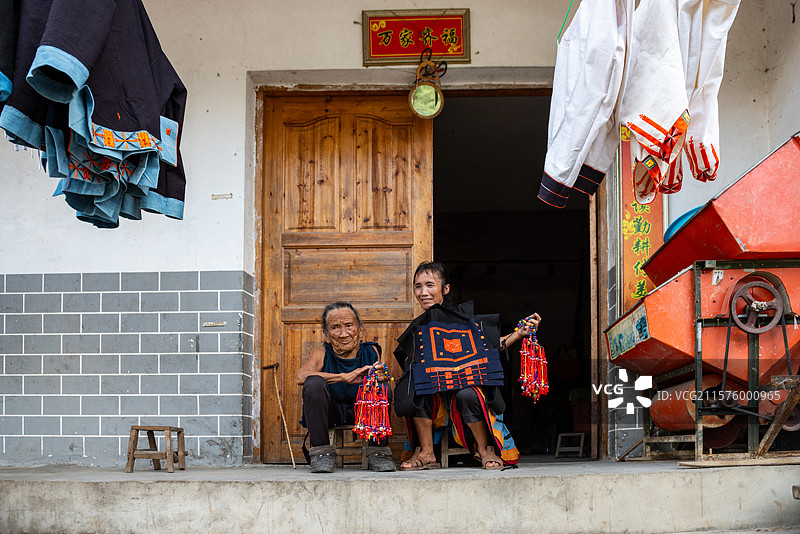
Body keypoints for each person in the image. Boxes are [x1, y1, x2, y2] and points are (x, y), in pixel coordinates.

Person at [394, 261, 541, 470]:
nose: (423, 292)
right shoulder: (418, 327)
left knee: (467, 393)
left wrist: (519, 333)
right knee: (418, 388)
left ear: (445, 289)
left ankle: (485, 449)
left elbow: (489, 346)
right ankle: (427, 453)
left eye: (429, 285)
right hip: (437, 396)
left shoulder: (464, 319)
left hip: (465, 389)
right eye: (418, 286)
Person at [296, 302, 396, 473]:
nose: (343, 334)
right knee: (313, 383)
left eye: (349, 326)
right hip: (330, 413)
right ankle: (321, 453)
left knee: (382, 388)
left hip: (361, 413)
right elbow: (301, 376)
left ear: (360, 329)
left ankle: (378, 451)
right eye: (335, 327)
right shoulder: (323, 352)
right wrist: (343, 377)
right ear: (326, 334)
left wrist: (379, 376)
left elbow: (379, 378)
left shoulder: (370, 352)